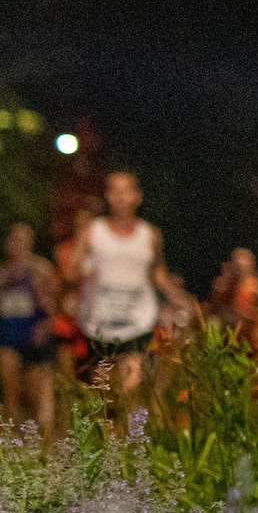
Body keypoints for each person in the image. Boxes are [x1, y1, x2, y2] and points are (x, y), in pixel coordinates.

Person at [71, 169, 188, 404]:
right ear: (108, 197)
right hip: (99, 323)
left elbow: (157, 272)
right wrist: (82, 272)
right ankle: (110, 437)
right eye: (115, 191)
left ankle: (129, 437)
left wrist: (178, 298)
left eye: (126, 191)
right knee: (103, 398)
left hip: (138, 321)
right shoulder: (92, 232)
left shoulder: (150, 235)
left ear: (137, 196)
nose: (121, 197)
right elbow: (71, 272)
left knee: (130, 388)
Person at [0, 221, 63, 438]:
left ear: (30, 243)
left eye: (23, 240)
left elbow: (57, 304)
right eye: (14, 240)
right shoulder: (0, 275)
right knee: (10, 391)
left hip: (34, 340)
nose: (17, 245)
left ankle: (33, 441)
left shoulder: (42, 270)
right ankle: (12, 439)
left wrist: (47, 324)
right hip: (9, 339)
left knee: (32, 396)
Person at [209, 247, 258, 352]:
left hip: (252, 338)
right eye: (237, 265)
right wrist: (218, 294)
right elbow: (214, 311)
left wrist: (249, 313)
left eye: (243, 265)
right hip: (229, 339)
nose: (240, 269)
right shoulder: (225, 287)